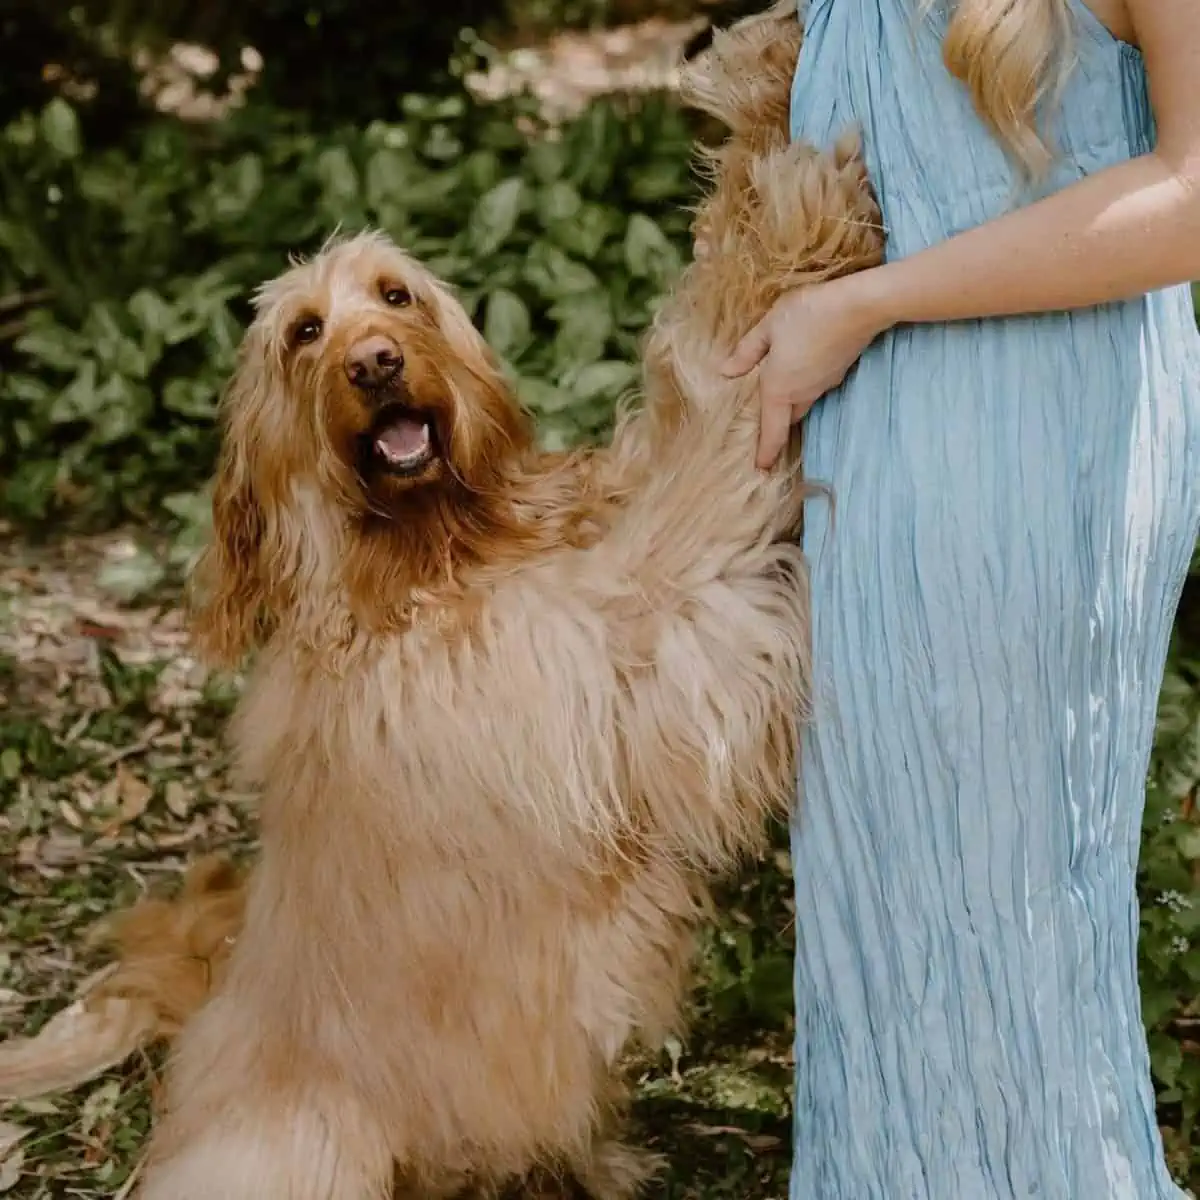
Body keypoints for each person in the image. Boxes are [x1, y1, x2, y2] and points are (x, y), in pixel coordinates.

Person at [721, 0, 1200, 1195]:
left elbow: (1193, 196)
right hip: (870, 440)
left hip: (1032, 438)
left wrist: (863, 305)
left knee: (1014, 911)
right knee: (885, 915)